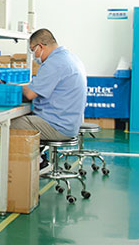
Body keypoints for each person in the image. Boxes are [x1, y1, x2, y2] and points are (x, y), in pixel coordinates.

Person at [11, 29, 87, 170]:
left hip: (58, 125)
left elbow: (30, 94)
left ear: (41, 46)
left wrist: (13, 87)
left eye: (33, 50)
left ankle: (29, 166)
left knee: (6, 124)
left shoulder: (54, 63)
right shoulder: (69, 57)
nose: (34, 55)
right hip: (69, 122)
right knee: (26, 118)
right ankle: (38, 158)